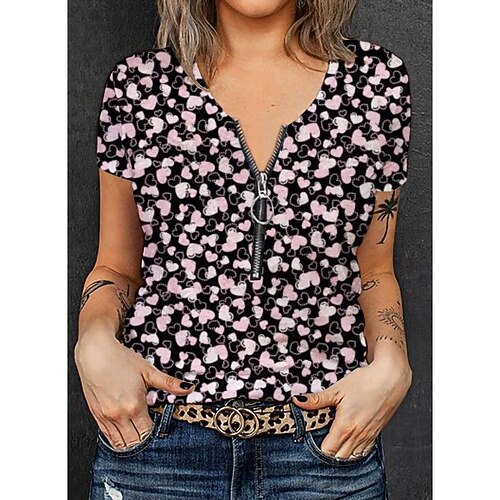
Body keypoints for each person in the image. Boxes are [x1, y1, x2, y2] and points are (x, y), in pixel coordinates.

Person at [75, 1, 413, 498]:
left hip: (325, 449)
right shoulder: (139, 86)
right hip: (157, 446)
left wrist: (392, 363)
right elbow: (116, 267)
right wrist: (93, 341)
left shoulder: (376, 84)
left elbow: (375, 270)